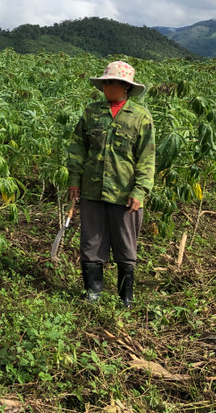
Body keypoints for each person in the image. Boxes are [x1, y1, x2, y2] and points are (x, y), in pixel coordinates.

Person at [67, 60, 155, 308]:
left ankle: (125, 297)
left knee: (126, 244)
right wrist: (74, 180)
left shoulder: (140, 117)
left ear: (125, 87)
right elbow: (77, 148)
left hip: (125, 192)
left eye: (112, 83)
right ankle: (92, 293)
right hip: (92, 189)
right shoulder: (91, 112)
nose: (107, 87)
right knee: (91, 241)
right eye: (105, 83)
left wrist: (140, 190)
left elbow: (147, 158)